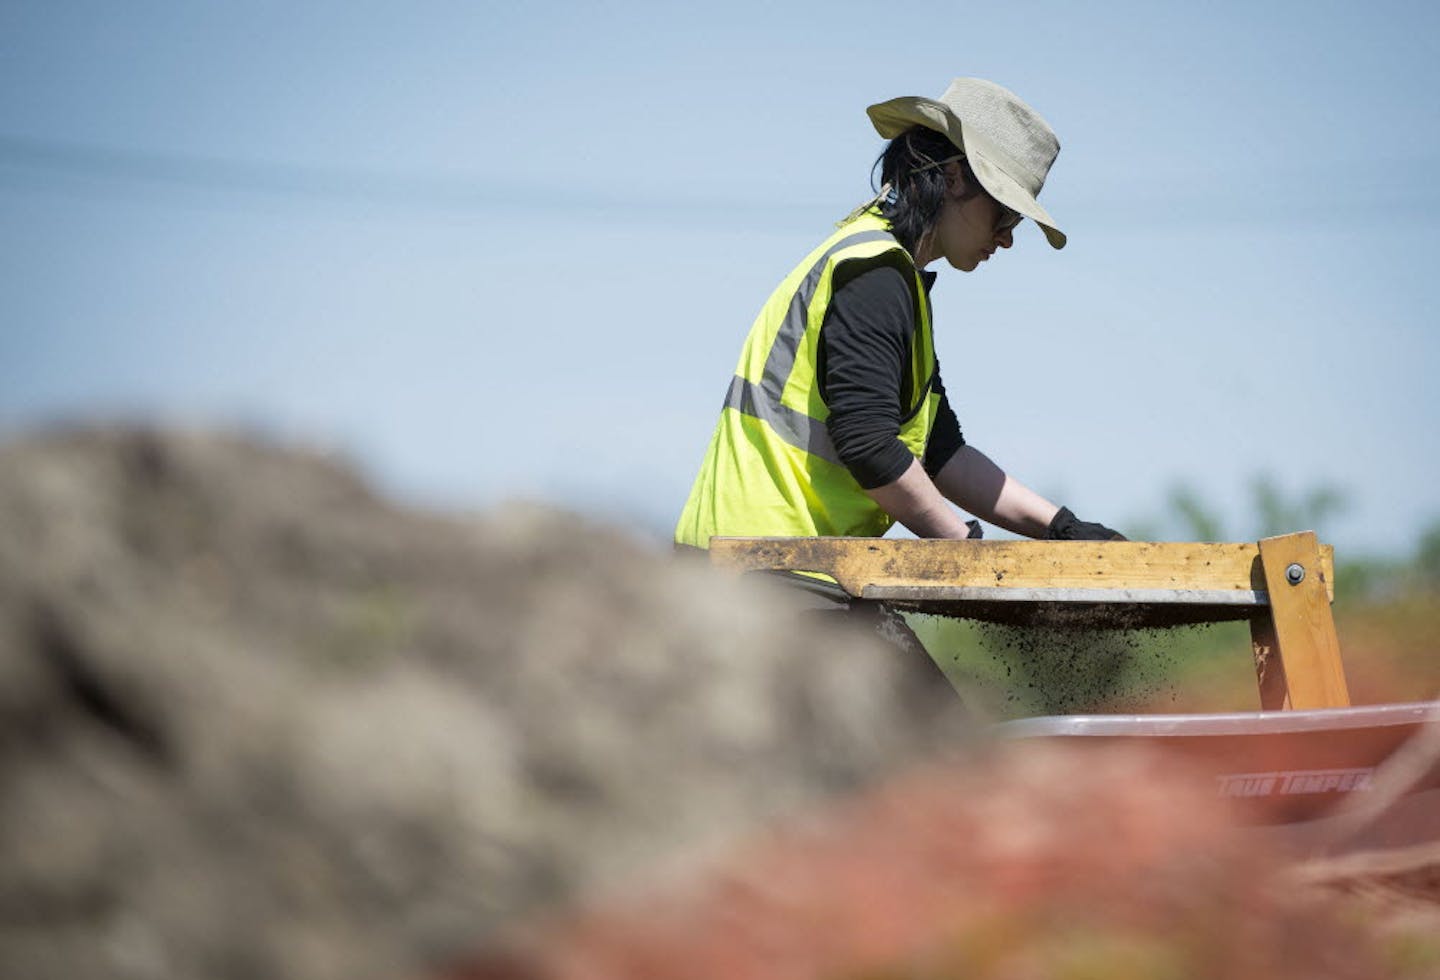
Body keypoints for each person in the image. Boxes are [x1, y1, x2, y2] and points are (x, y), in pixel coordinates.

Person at [676, 77, 1124, 552]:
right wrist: (961, 547)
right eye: (1006, 213)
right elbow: (869, 444)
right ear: (954, 178)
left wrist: (1063, 528)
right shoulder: (875, 274)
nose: (1008, 237)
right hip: (762, 568)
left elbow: (939, 452)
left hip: (780, 559)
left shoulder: (891, 274)